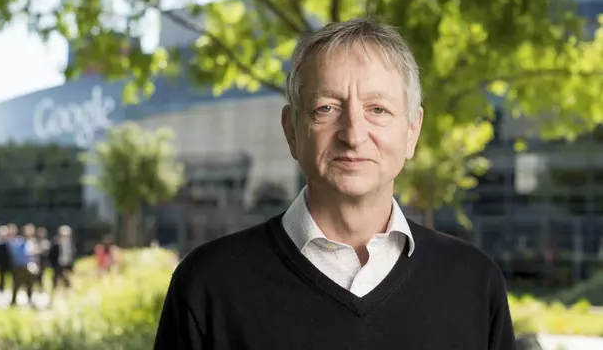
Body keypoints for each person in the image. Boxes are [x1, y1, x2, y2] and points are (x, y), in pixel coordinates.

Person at [153, 18, 516, 349]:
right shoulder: (209, 286)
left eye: (378, 109)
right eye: (326, 108)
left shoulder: (474, 284)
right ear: (291, 130)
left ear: (412, 131)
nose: (354, 135)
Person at [9, 224, 38, 307]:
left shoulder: (32, 243)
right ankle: (13, 301)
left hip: (30, 268)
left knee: (30, 285)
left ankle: (30, 300)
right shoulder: (18, 242)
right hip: (20, 267)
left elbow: (34, 256)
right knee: (17, 285)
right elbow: (17, 255)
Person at [48, 225, 76, 299]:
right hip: (57, 265)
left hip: (66, 264)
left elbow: (72, 255)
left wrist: (71, 266)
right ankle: (54, 294)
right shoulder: (55, 243)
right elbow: (51, 255)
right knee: (56, 279)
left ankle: (68, 294)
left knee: (66, 279)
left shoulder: (70, 243)